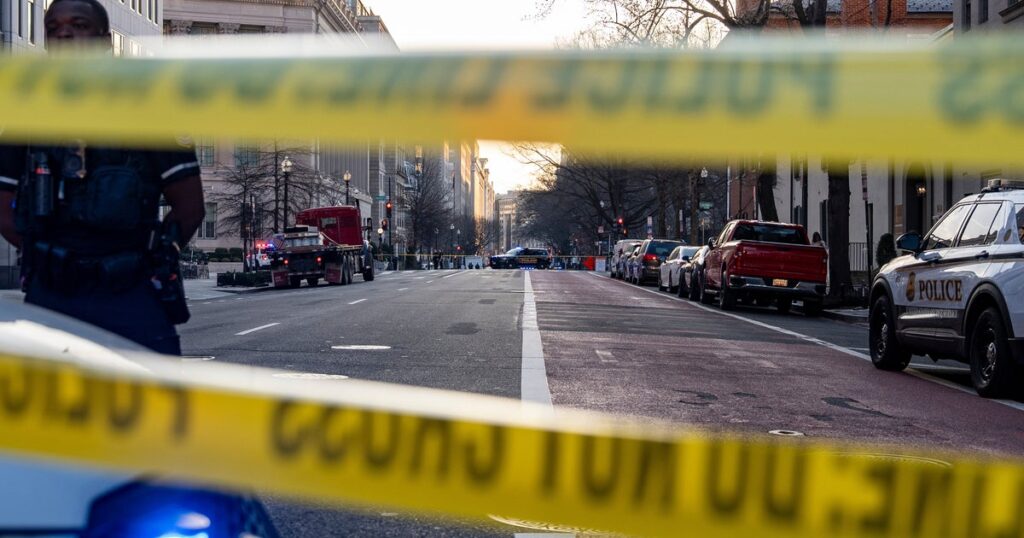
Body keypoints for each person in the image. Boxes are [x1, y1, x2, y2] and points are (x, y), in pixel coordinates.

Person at [0, 0, 204, 355]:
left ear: (105, 40)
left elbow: (189, 207)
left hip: (129, 292)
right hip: (52, 295)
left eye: (78, 25)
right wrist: (50, 257)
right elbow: (2, 206)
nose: (64, 33)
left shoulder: (148, 107)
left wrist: (150, 258)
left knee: (152, 404)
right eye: (53, 28)